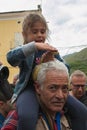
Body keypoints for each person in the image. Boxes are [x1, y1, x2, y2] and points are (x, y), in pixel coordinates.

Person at [6, 13, 87, 130]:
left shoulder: (50, 50)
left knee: (81, 111)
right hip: (28, 89)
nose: (39, 35)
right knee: (27, 116)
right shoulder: (25, 52)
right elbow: (11, 58)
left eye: (42, 32)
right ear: (24, 35)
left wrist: (54, 61)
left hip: (51, 88)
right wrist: (34, 46)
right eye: (34, 32)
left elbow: (66, 69)